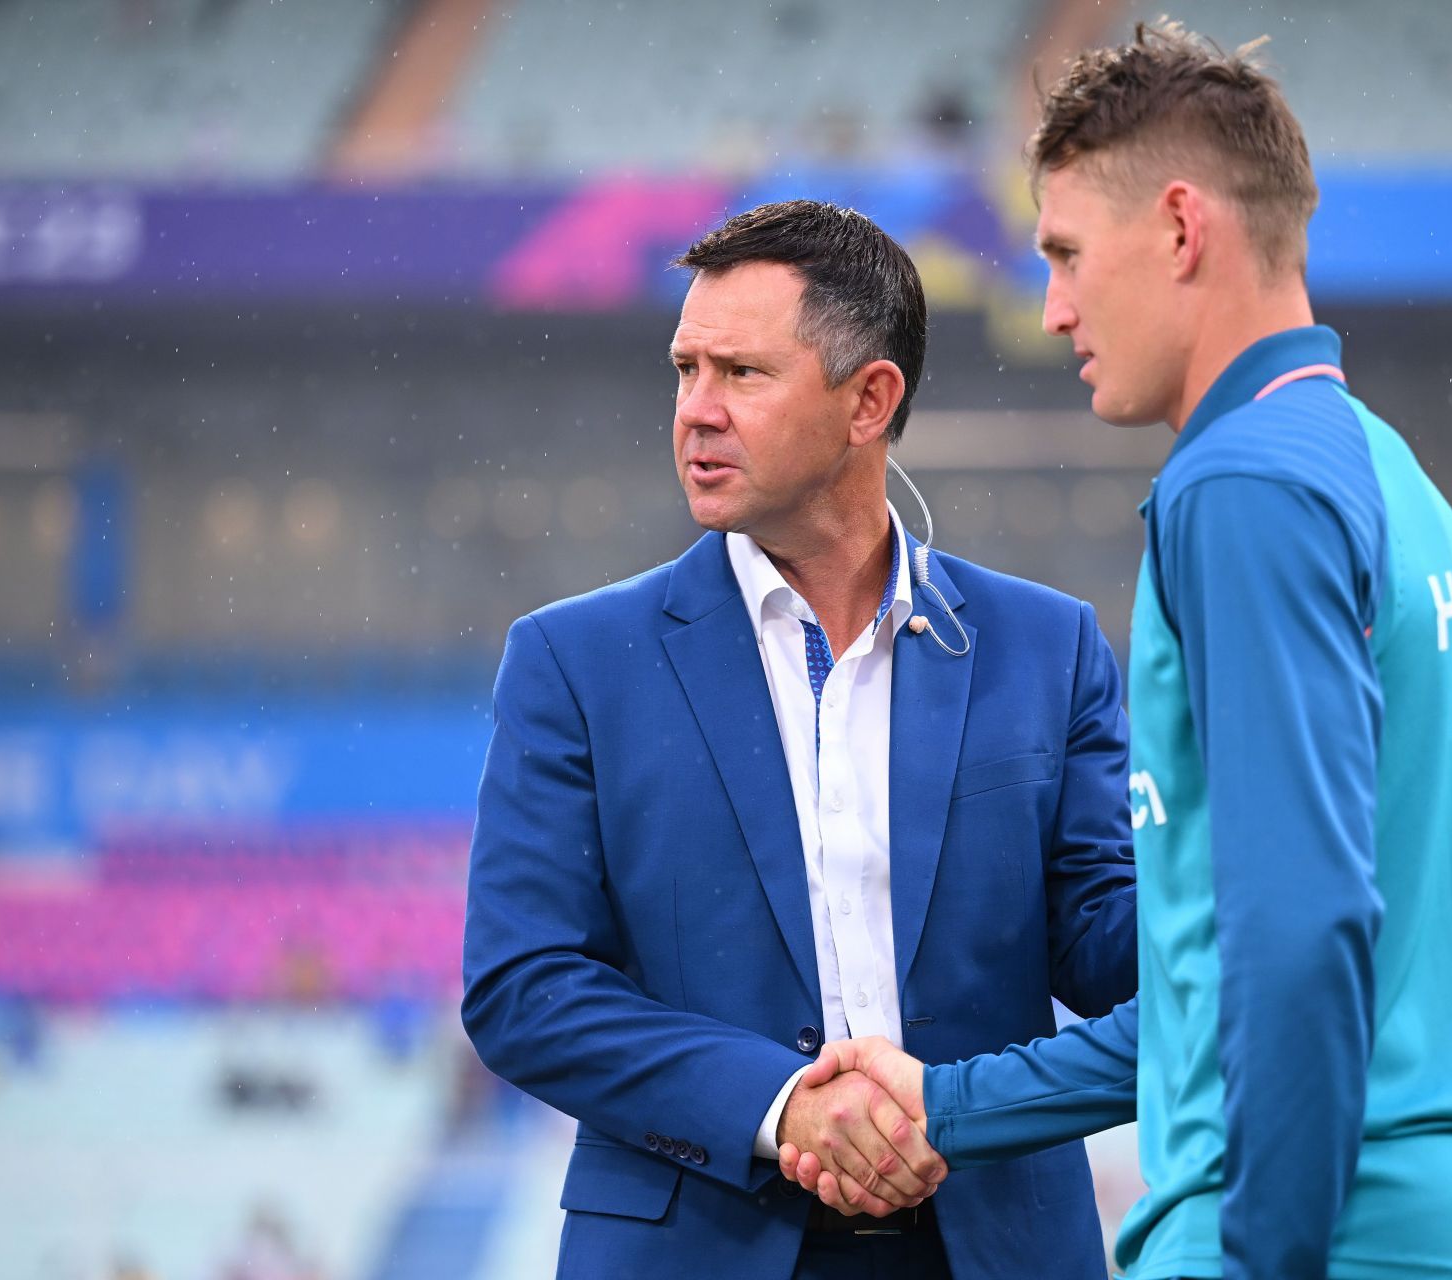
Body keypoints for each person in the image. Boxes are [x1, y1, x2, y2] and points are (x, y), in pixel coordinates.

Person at [781, 22, 1452, 1280]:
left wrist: (1264, 1257)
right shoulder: (1391, 476)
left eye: (1063, 254)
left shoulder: (1242, 486)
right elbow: (1237, 990)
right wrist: (956, 1104)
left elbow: (1304, 932)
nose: (1050, 309)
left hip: (1316, 1230)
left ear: (1178, 227)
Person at [461, 199, 1139, 1279]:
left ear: (870, 399)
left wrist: (1239, 876)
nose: (695, 411)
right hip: (700, 1247)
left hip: (996, 1246)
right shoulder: (574, 662)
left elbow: (1114, 943)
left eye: (741, 374)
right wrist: (779, 1108)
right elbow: (524, 986)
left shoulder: (1045, 647)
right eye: (686, 370)